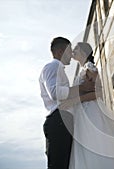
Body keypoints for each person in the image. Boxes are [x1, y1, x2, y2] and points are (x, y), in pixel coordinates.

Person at [39, 37, 96, 169]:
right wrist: (82, 88)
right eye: (69, 51)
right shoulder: (52, 66)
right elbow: (55, 93)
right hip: (58, 120)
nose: (71, 55)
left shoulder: (58, 69)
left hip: (63, 120)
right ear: (60, 52)